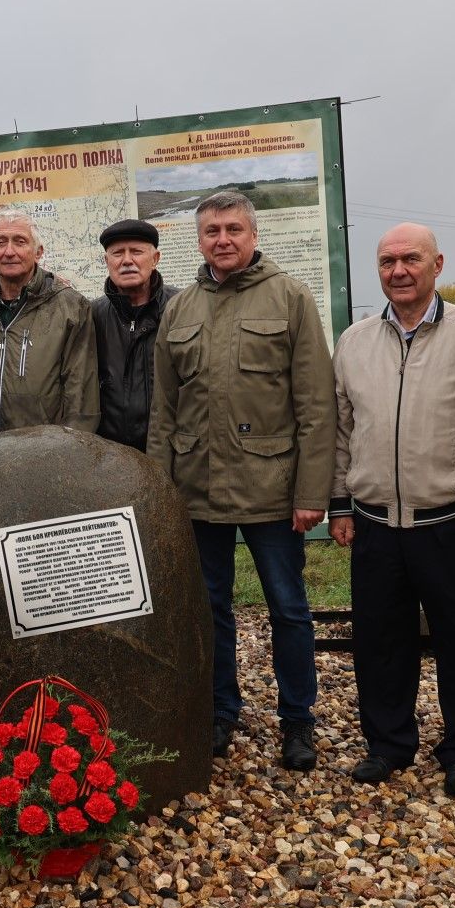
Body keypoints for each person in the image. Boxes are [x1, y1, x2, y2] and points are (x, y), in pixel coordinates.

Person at [146, 189, 334, 767]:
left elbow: (316, 405)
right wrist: (159, 492)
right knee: (208, 609)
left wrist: (311, 495)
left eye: (232, 229)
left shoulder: (290, 297)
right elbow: (164, 410)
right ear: (198, 239)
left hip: (272, 492)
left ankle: (297, 720)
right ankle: (219, 712)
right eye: (211, 231)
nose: (222, 240)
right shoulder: (179, 309)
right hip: (196, 493)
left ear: (253, 236)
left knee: (288, 608)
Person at [328, 223, 455, 799]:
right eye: (387, 261)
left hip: (449, 519)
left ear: (438, 265)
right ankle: (388, 743)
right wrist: (339, 503)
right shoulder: (354, 341)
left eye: (411, 259)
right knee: (380, 639)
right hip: (376, 521)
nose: (398, 270)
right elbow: (341, 429)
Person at [0, 205, 98, 433]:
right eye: (0, 242)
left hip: (44, 455)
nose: (9, 251)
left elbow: (81, 398)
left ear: (38, 252)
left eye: (20, 241)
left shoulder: (71, 308)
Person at [92, 218, 177, 452]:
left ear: (155, 259)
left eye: (137, 252)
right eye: (117, 253)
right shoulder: (92, 316)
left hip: (170, 451)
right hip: (110, 455)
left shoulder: (181, 309)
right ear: (106, 261)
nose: (127, 260)